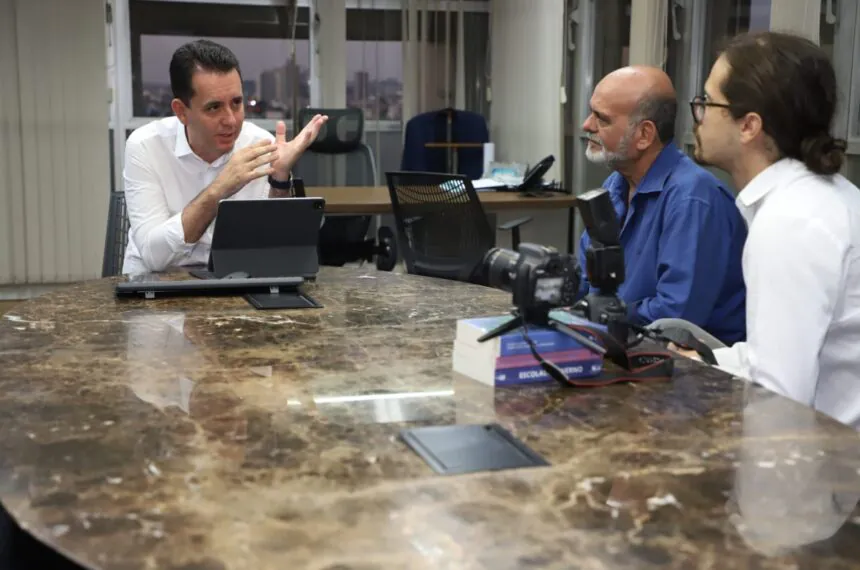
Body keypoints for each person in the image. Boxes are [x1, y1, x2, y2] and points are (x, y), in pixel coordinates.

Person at [680, 31, 860, 428]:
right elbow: (786, 350)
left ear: (749, 126)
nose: (699, 114)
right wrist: (703, 361)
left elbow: (779, 397)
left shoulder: (790, 221)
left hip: (836, 471)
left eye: (707, 102)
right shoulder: (820, 197)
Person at [121, 39, 328, 274]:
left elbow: (272, 248)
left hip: (233, 280)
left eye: (237, 103)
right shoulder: (145, 146)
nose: (230, 120)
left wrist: (279, 179)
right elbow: (153, 258)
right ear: (181, 112)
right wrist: (219, 189)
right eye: (213, 108)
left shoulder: (260, 144)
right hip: (154, 286)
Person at [578, 66, 747, 345]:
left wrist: (602, 314)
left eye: (602, 119)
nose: (586, 125)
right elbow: (588, 282)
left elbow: (676, 316)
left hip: (693, 368)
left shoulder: (692, 199)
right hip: (623, 344)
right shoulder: (615, 185)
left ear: (644, 135)